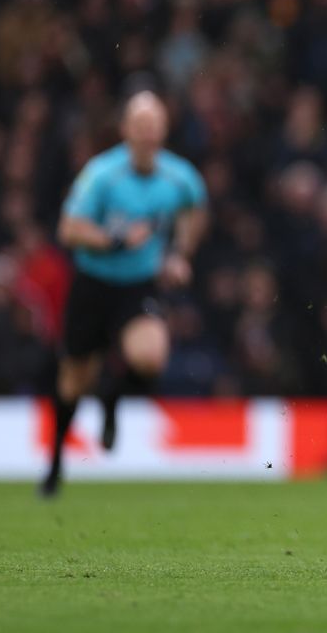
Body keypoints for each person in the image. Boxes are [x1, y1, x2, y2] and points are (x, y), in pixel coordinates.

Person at [42, 90, 208, 496]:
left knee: (151, 357)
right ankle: (55, 464)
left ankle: (112, 396)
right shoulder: (102, 174)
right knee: (74, 382)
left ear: (164, 129)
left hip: (137, 286)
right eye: (140, 125)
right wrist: (114, 240)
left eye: (154, 125)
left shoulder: (179, 176)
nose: (147, 133)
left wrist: (179, 253)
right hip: (93, 284)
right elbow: (69, 229)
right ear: (125, 130)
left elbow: (196, 208)